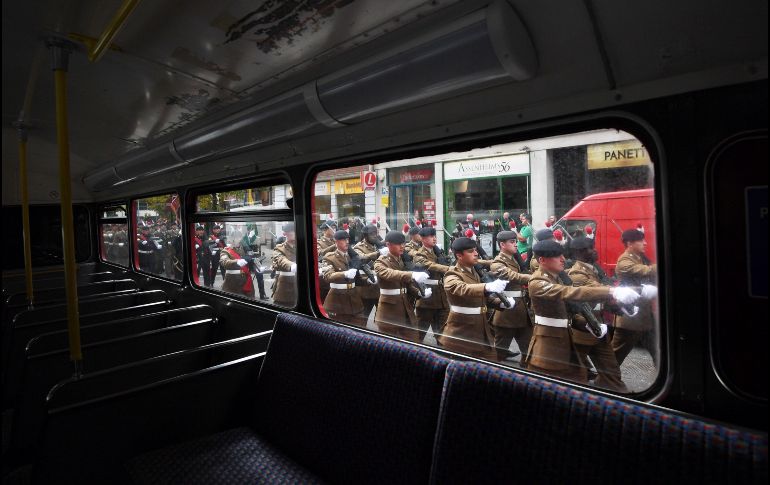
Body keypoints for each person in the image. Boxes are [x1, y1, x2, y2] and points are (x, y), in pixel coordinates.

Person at [526, 239, 640, 383]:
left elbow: (567, 313)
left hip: (565, 343)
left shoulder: (557, 279)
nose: (563, 259)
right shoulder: (537, 282)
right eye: (556, 256)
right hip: (548, 349)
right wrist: (612, 291)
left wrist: (587, 324)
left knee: (581, 380)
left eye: (562, 255)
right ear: (542, 260)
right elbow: (572, 292)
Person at [567, 236, 628, 392]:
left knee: (612, 372)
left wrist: (620, 307)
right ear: (580, 252)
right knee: (574, 375)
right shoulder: (577, 274)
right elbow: (596, 290)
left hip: (599, 328)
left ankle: (617, 393)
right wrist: (618, 291)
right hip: (584, 330)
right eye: (591, 248)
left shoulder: (593, 269)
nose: (595, 251)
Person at [439, 237, 511, 360]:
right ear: (459, 256)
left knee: (490, 367)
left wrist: (501, 303)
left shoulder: (475, 272)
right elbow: (461, 288)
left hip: (481, 332)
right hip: (461, 334)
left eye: (476, 250)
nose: (476, 253)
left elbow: (481, 299)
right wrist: (487, 287)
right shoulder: (452, 274)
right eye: (471, 251)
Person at [612, 229, 658, 367]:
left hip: (644, 315)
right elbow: (646, 271)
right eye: (641, 241)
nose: (645, 243)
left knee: (657, 349)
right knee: (616, 353)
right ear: (630, 243)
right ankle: (604, 378)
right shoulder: (624, 261)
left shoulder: (639, 257)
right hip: (630, 316)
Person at [373, 231, 429, 342]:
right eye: (398, 243)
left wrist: (419, 292)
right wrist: (411, 274)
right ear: (388, 245)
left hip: (406, 309)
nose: (402, 246)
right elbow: (389, 274)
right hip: (389, 311)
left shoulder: (403, 260)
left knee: (414, 343)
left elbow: (406, 285)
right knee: (389, 347)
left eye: (403, 243)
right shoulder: (380, 262)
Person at [489, 231, 533, 363]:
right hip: (507, 313)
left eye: (516, 241)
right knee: (499, 354)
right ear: (502, 244)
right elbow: (513, 276)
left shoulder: (515, 259)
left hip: (522, 310)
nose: (516, 245)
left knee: (529, 352)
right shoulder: (497, 263)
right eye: (512, 242)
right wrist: (534, 278)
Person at [412, 226, 450, 344]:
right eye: (431, 236)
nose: (434, 238)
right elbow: (429, 265)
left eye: (435, 236)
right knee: (419, 333)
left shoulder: (438, 252)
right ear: (423, 239)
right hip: (427, 299)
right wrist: (448, 268)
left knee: (444, 334)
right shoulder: (419, 254)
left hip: (441, 298)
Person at [321, 230, 367, 327]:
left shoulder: (352, 257)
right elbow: (328, 276)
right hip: (337, 301)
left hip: (354, 300)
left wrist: (368, 280)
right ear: (336, 242)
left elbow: (357, 279)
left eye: (347, 239)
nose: (347, 242)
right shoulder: (329, 257)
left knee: (360, 328)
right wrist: (344, 274)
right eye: (343, 240)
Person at [353, 224, 383, 322]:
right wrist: (378, 253)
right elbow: (360, 258)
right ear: (365, 236)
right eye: (372, 234)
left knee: (383, 319)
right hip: (366, 288)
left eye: (376, 233)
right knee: (362, 318)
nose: (375, 235)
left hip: (379, 287)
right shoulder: (359, 246)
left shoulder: (379, 245)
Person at [219, 232, 256, 298]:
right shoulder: (226, 251)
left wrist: (256, 267)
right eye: (236, 238)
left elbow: (248, 261)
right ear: (231, 239)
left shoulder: (243, 250)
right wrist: (237, 261)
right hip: (232, 282)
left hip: (245, 280)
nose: (238, 240)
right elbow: (224, 262)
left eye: (239, 238)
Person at [271, 222, 298, 307]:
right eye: (291, 231)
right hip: (285, 286)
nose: (294, 233)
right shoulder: (279, 248)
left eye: (294, 231)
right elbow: (280, 259)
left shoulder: (301, 246)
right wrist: (291, 265)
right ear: (284, 234)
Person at [241, 226, 268, 300]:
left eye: (254, 230)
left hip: (255, 260)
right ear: (248, 230)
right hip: (246, 260)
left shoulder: (257, 238)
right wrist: (249, 240)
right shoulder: (244, 238)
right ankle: (246, 293)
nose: (252, 231)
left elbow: (259, 249)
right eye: (251, 230)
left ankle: (262, 294)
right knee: (245, 277)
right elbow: (245, 248)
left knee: (260, 276)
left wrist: (260, 258)